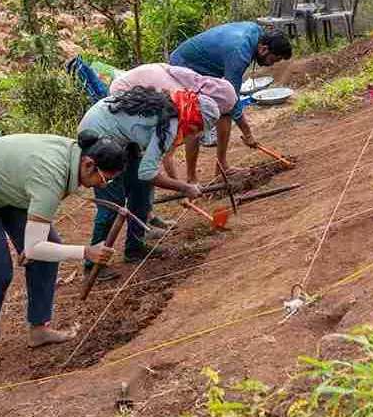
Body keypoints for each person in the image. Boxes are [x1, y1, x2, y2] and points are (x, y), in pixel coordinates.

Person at [0, 131, 127, 366]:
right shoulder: (50, 176)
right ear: (89, 164)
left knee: (47, 253)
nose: (104, 185)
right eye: (105, 179)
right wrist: (86, 252)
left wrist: (33, 247)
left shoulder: (75, 157)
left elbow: (36, 246)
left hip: (10, 187)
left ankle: (39, 329)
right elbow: (34, 247)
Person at [78, 86, 217, 275]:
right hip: (99, 135)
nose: (193, 135)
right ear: (194, 120)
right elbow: (148, 172)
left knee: (141, 188)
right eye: (197, 130)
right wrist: (185, 188)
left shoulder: (176, 108)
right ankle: (93, 264)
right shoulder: (170, 125)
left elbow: (144, 173)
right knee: (112, 204)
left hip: (120, 136)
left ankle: (135, 248)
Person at [169, 23, 292, 175]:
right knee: (194, 121)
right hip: (184, 66)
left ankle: (222, 167)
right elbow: (232, 99)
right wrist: (247, 133)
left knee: (224, 112)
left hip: (205, 68)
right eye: (274, 59)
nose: (272, 64)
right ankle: (191, 179)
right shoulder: (239, 52)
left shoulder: (257, 34)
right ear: (264, 49)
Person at [109, 63, 238, 184]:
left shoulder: (193, 88)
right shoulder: (175, 106)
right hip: (124, 91)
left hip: (146, 81)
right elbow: (166, 153)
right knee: (143, 146)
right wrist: (181, 188)